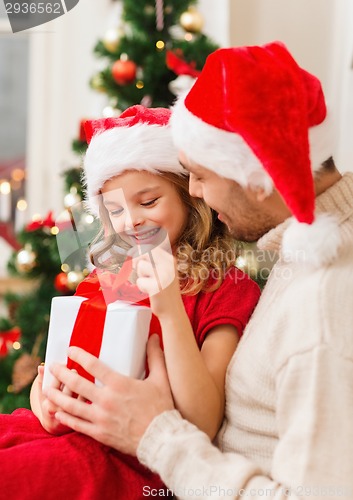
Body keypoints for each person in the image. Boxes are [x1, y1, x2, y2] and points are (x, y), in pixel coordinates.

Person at [47, 41, 353, 499]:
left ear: (254, 174)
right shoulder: (300, 261)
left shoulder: (323, 304)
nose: (196, 193)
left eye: (201, 175)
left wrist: (154, 435)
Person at [0, 105, 260, 499]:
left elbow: (203, 421)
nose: (130, 221)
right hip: (71, 434)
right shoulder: (105, 278)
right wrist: (46, 404)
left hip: (135, 461)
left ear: (189, 199)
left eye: (149, 201)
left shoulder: (223, 287)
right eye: (116, 209)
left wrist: (169, 307)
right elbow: (51, 375)